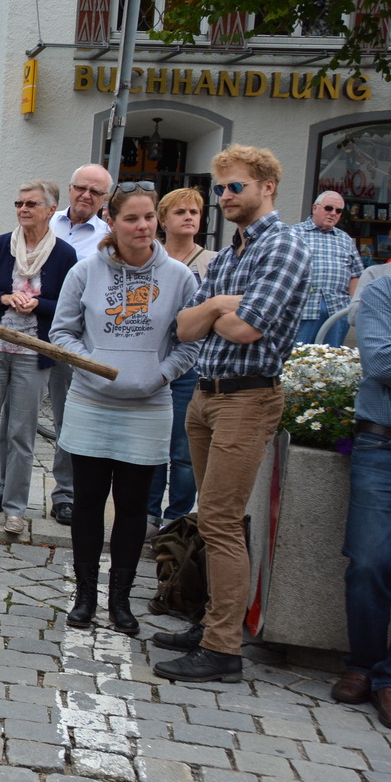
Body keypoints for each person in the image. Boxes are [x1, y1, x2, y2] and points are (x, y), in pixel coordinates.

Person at [157, 144, 309, 683]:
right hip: (207, 394)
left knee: (220, 519)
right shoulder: (228, 256)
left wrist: (219, 309)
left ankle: (223, 648)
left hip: (248, 397)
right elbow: (185, 327)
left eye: (235, 187)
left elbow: (247, 329)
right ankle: (209, 620)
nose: (224, 197)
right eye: (220, 188)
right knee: (212, 514)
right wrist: (221, 304)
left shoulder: (285, 246)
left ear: (267, 187)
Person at [49, 185, 202, 636]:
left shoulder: (179, 277)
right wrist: (93, 368)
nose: (143, 226)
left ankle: (120, 601)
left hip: (149, 406)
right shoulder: (85, 271)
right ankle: (84, 598)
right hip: (91, 403)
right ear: (112, 222)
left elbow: (189, 343)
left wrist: (160, 375)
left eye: (150, 218)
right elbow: (62, 333)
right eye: (132, 219)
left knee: (134, 508)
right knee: (89, 504)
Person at [0, 181, 77, 536]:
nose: (23, 209)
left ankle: (15, 508)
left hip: (33, 354)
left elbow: (71, 306)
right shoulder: (1, 246)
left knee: (21, 434)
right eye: (19, 202)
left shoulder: (64, 255)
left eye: (31, 203)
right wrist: (4, 299)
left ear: (50, 210)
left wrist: (38, 305)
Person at [337, 272, 391, 730]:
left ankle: (390, 678)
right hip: (383, 445)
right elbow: (381, 362)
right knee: (369, 562)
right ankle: (363, 662)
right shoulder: (384, 290)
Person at [44, 163, 113, 524]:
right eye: (81, 188)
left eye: (96, 192)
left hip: (73, 340)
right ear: (69, 188)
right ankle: (6, 489)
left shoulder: (106, 240)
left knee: (67, 419)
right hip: (29, 333)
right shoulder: (43, 221)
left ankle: (65, 494)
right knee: (14, 417)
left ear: (105, 199)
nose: (86, 195)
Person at [146, 188, 217, 533]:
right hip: (152, 360)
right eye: (181, 212)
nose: (189, 217)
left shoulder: (212, 262)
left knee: (183, 448)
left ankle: (177, 516)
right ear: (163, 220)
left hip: (191, 364)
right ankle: (148, 512)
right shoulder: (149, 258)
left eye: (194, 212)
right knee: (153, 442)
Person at [293, 190, 362, 347]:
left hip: (337, 311)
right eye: (328, 208)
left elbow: (356, 274)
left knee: (330, 362)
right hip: (303, 308)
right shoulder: (293, 234)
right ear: (315, 208)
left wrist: (353, 304)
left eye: (338, 211)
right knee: (298, 358)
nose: (333, 213)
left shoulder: (345, 239)